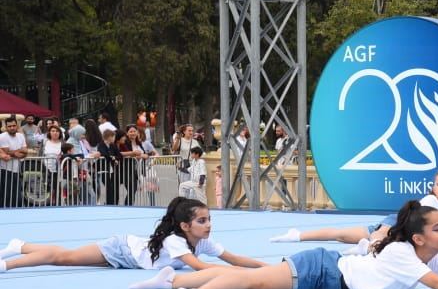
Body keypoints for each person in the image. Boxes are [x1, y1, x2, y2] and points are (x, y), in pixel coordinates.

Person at [144, 201, 438, 289]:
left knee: (260, 278)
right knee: (255, 283)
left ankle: (174, 278)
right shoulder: (404, 253)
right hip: (324, 270)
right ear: (418, 237)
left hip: (334, 281)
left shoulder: (428, 255)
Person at [0, 197, 264, 272]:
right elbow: (200, 268)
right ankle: (9, 262)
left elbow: (234, 258)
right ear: (185, 225)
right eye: (202, 221)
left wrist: (267, 266)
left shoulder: (202, 241)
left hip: (128, 259)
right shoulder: (175, 241)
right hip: (122, 249)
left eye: (209, 220)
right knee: (62, 258)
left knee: (63, 257)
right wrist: (244, 276)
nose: (208, 225)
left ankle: (20, 245)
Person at [270, 168, 438, 251]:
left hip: (403, 232)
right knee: (368, 237)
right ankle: (297, 235)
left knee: (341, 236)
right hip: (398, 224)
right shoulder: (429, 201)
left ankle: (366, 246)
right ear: (433, 188)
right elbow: (416, 226)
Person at [0, 116, 28, 207]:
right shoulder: (2, 137)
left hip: (17, 168)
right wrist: (18, 151)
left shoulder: (20, 136)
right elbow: (6, 152)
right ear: (6, 127)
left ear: (17, 126)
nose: (12, 127)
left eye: (13, 125)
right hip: (4, 169)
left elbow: (25, 152)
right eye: (9, 126)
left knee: (17, 192)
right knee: (6, 194)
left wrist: (14, 152)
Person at [40, 123, 65, 204]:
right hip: (46, 169)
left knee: (57, 189)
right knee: (46, 189)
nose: (55, 133)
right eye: (53, 131)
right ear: (49, 133)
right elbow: (40, 154)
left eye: (57, 131)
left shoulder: (63, 143)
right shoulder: (45, 142)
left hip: (58, 170)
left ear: (60, 133)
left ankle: (57, 205)